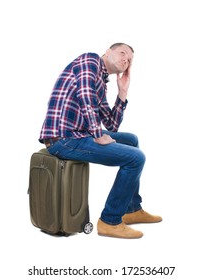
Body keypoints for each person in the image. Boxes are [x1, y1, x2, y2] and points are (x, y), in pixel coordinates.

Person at [39, 43, 162, 239]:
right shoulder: (90, 60)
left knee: (131, 141)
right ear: (108, 52)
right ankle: (109, 221)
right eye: (122, 53)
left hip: (78, 135)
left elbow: (111, 125)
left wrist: (122, 93)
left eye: (129, 59)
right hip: (63, 139)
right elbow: (85, 96)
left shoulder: (101, 82)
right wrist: (97, 134)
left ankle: (131, 209)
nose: (125, 59)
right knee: (136, 158)